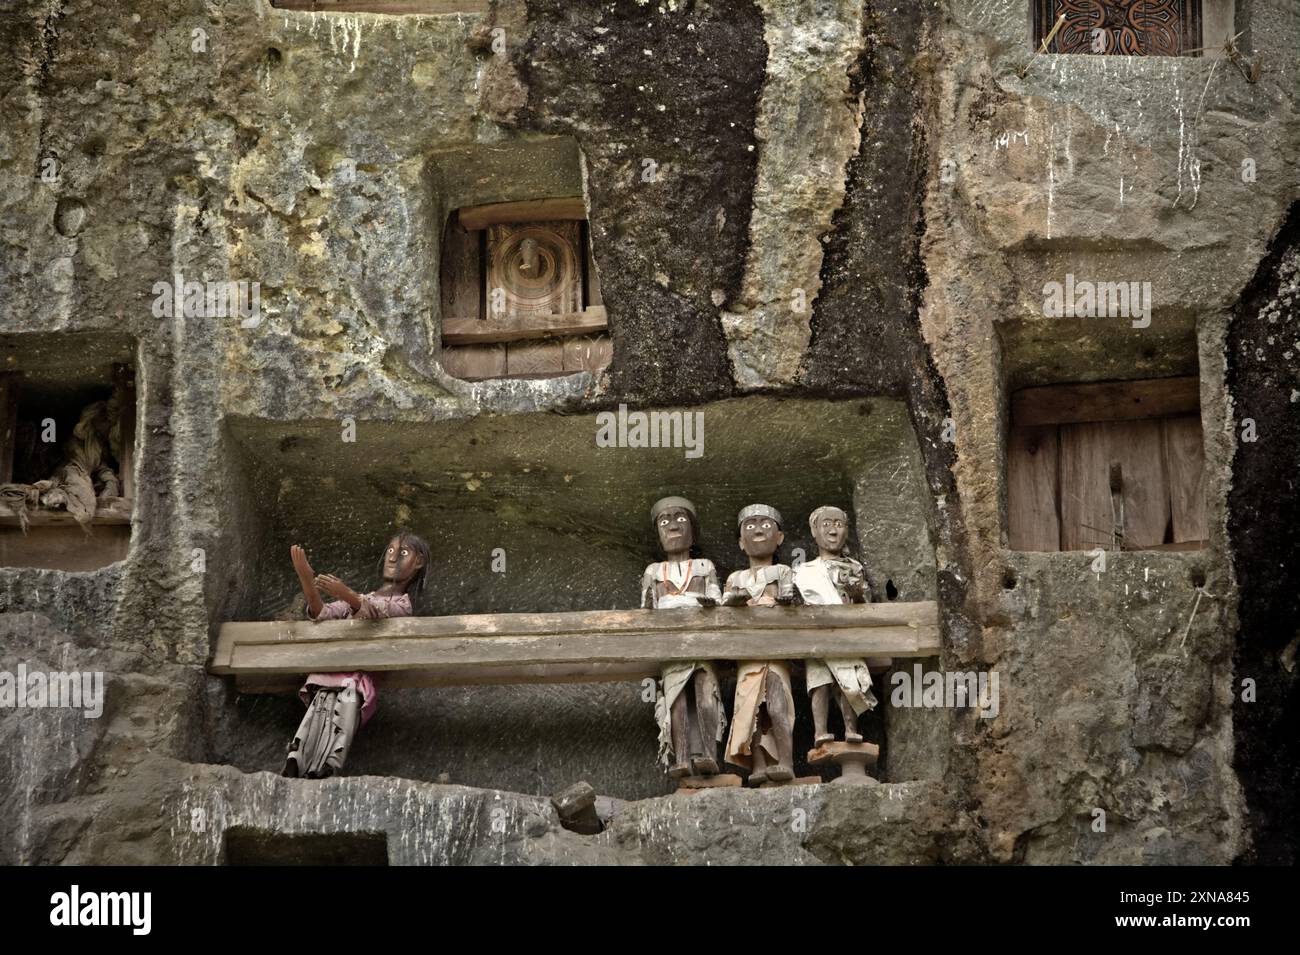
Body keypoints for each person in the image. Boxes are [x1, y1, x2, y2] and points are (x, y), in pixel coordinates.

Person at [282, 530, 429, 778]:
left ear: (419, 562)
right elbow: (323, 614)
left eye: (403, 553)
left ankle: (327, 765)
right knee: (318, 711)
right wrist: (307, 580)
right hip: (329, 672)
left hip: (357, 679)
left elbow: (376, 612)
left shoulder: (403, 604)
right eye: (391, 551)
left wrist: (346, 593)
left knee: (345, 712)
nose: (393, 558)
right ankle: (298, 757)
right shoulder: (363, 598)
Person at [640, 496, 726, 779]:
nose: (673, 526)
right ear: (658, 535)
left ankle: (708, 755)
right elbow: (646, 611)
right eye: (664, 521)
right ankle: (681, 756)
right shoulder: (654, 571)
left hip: (702, 642)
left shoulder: (705, 566)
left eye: (681, 519)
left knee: (705, 697)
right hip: (671, 644)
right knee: (675, 700)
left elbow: (717, 600)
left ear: (693, 531)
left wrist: (705, 603)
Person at [723, 504, 797, 784]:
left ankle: (786, 761)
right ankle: (758, 764)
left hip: (776, 647)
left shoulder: (783, 572)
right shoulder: (734, 579)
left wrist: (783, 603)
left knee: (778, 706)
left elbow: (792, 604)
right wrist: (733, 603)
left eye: (765, 524)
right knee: (748, 708)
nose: (757, 529)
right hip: (747, 650)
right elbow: (723, 611)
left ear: (779, 537)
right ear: (741, 542)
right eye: (750, 525)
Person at [795, 505, 878, 744]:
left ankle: (851, 729)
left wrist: (858, 595)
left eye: (839, 525)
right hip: (817, 636)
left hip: (846, 635)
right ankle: (820, 731)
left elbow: (867, 605)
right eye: (826, 524)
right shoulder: (804, 571)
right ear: (814, 531)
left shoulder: (855, 567)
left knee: (848, 682)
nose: (833, 531)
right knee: (819, 682)